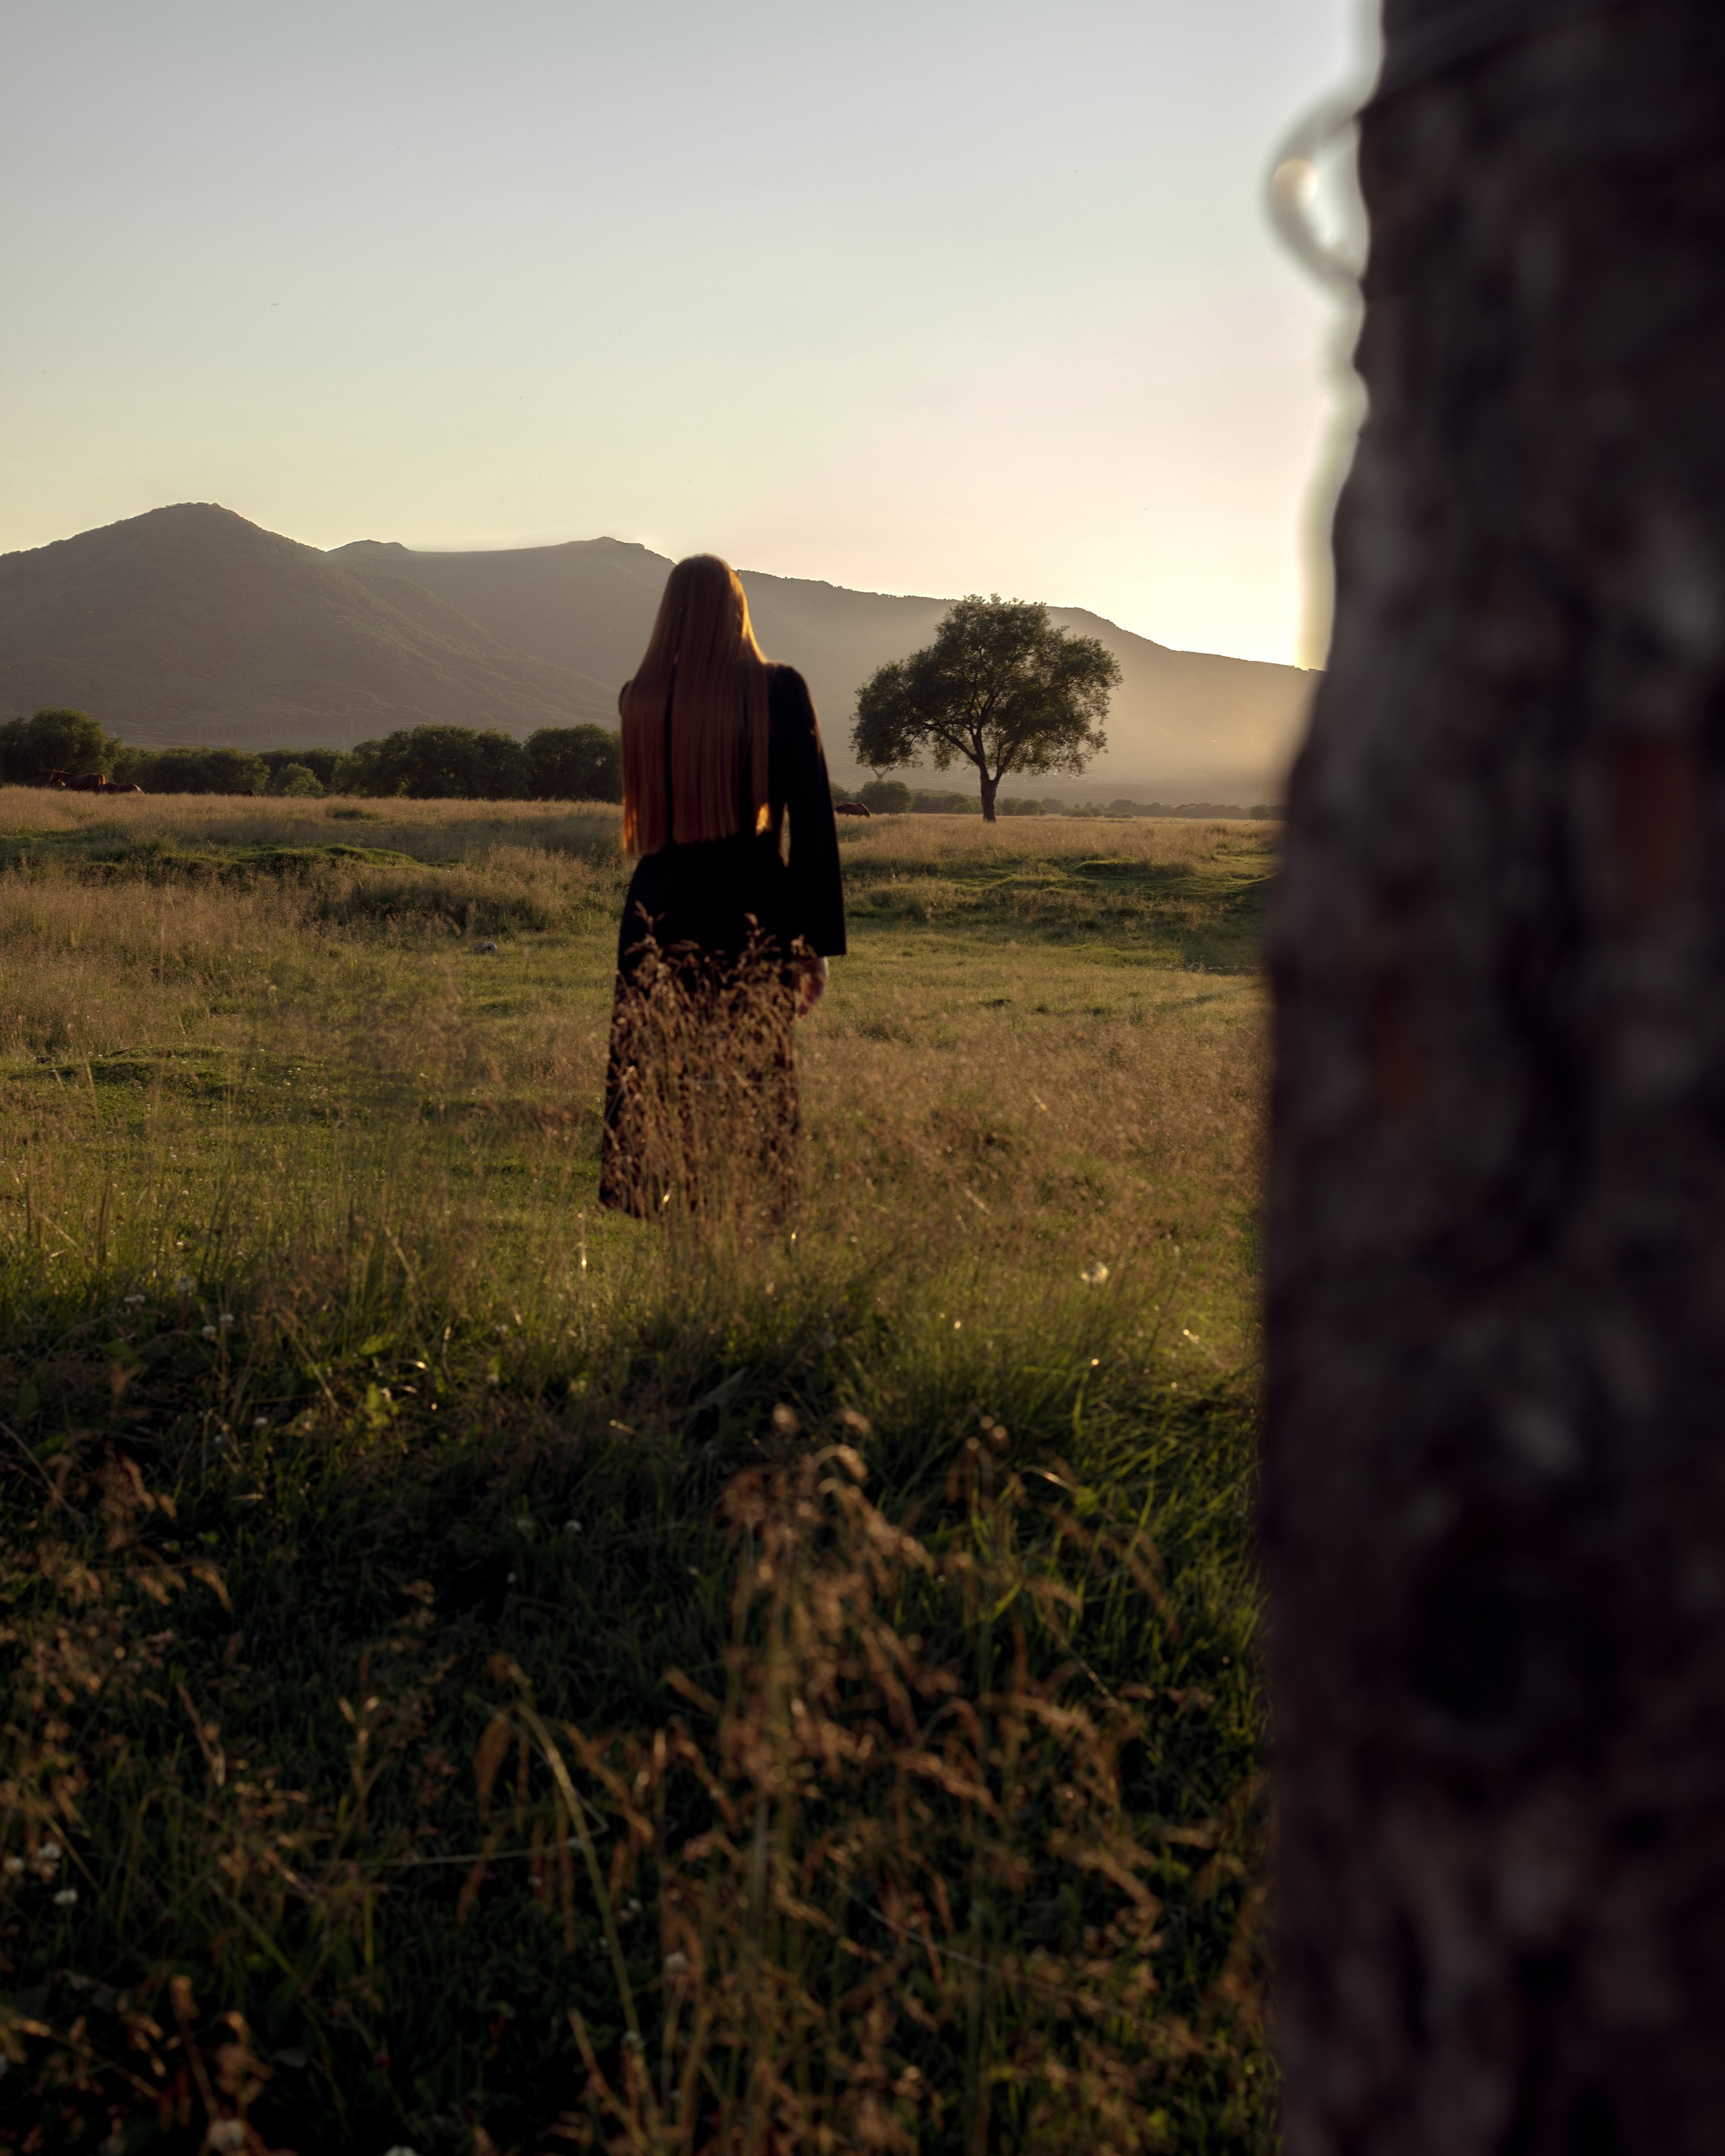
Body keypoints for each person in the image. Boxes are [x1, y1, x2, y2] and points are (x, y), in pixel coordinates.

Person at [599, 553, 846, 1215]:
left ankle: (666, 1207)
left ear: (668, 614)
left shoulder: (639, 699)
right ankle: (754, 1215)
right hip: (750, 904)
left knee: (659, 1067)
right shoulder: (779, 690)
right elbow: (813, 822)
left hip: (656, 906)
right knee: (755, 1076)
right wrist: (815, 939)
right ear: (737, 610)